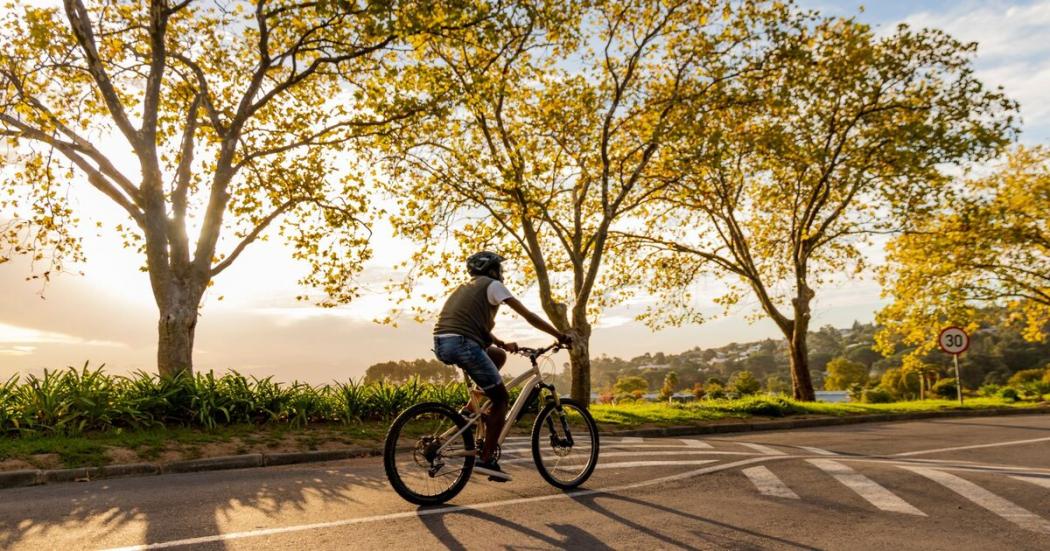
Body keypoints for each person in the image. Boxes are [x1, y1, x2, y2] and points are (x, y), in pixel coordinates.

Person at [433, 251, 570, 482]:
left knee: (496, 355)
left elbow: (471, 322)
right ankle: (487, 460)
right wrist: (559, 335)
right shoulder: (493, 285)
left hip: (444, 342)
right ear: (493, 270)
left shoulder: (465, 288)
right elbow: (528, 316)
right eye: (500, 269)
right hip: (463, 343)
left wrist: (500, 343)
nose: (502, 273)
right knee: (501, 399)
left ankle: (470, 411)